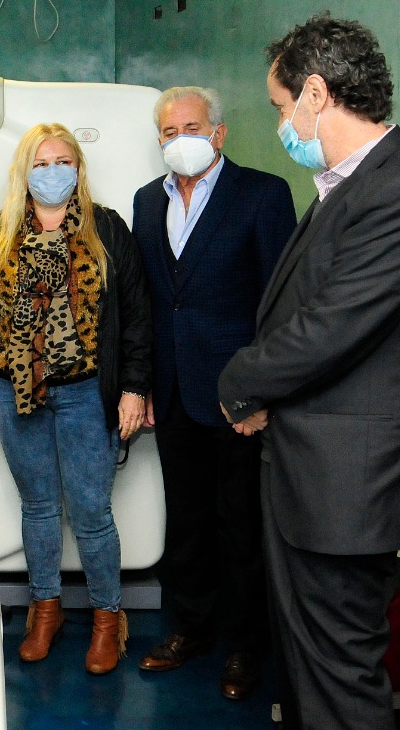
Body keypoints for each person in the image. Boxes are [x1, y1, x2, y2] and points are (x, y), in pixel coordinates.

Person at [218, 15, 400, 730]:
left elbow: (328, 330)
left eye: (280, 105)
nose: (281, 124)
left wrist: (239, 382)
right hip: (313, 481)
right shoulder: (349, 186)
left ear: (316, 94)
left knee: (340, 687)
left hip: (348, 492)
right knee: (307, 678)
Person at [0, 122, 152, 674]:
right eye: (40, 164)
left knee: (90, 511)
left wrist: (134, 387)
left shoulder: (106, 230)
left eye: (62, 162)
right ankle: (46, 610)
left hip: (86, 390)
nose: (52, 172)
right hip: (15, 388)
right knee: (38, 507)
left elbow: (136, 315)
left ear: (78, 169)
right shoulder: (0, 234)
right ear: (24, 173)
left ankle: (108, 618)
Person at [131, 87, 295, 699]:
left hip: (238, 396)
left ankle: (245, 647)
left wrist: (262, 393)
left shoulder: (262, 195)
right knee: (187, 520)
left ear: (219, 134)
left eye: (192, 128)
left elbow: (281, 304)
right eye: (169, 132)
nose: (181, 140)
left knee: (240, 523)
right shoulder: (148, 201)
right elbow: (149, 302)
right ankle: (190, 629)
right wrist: (144, 383)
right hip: (173, 389)